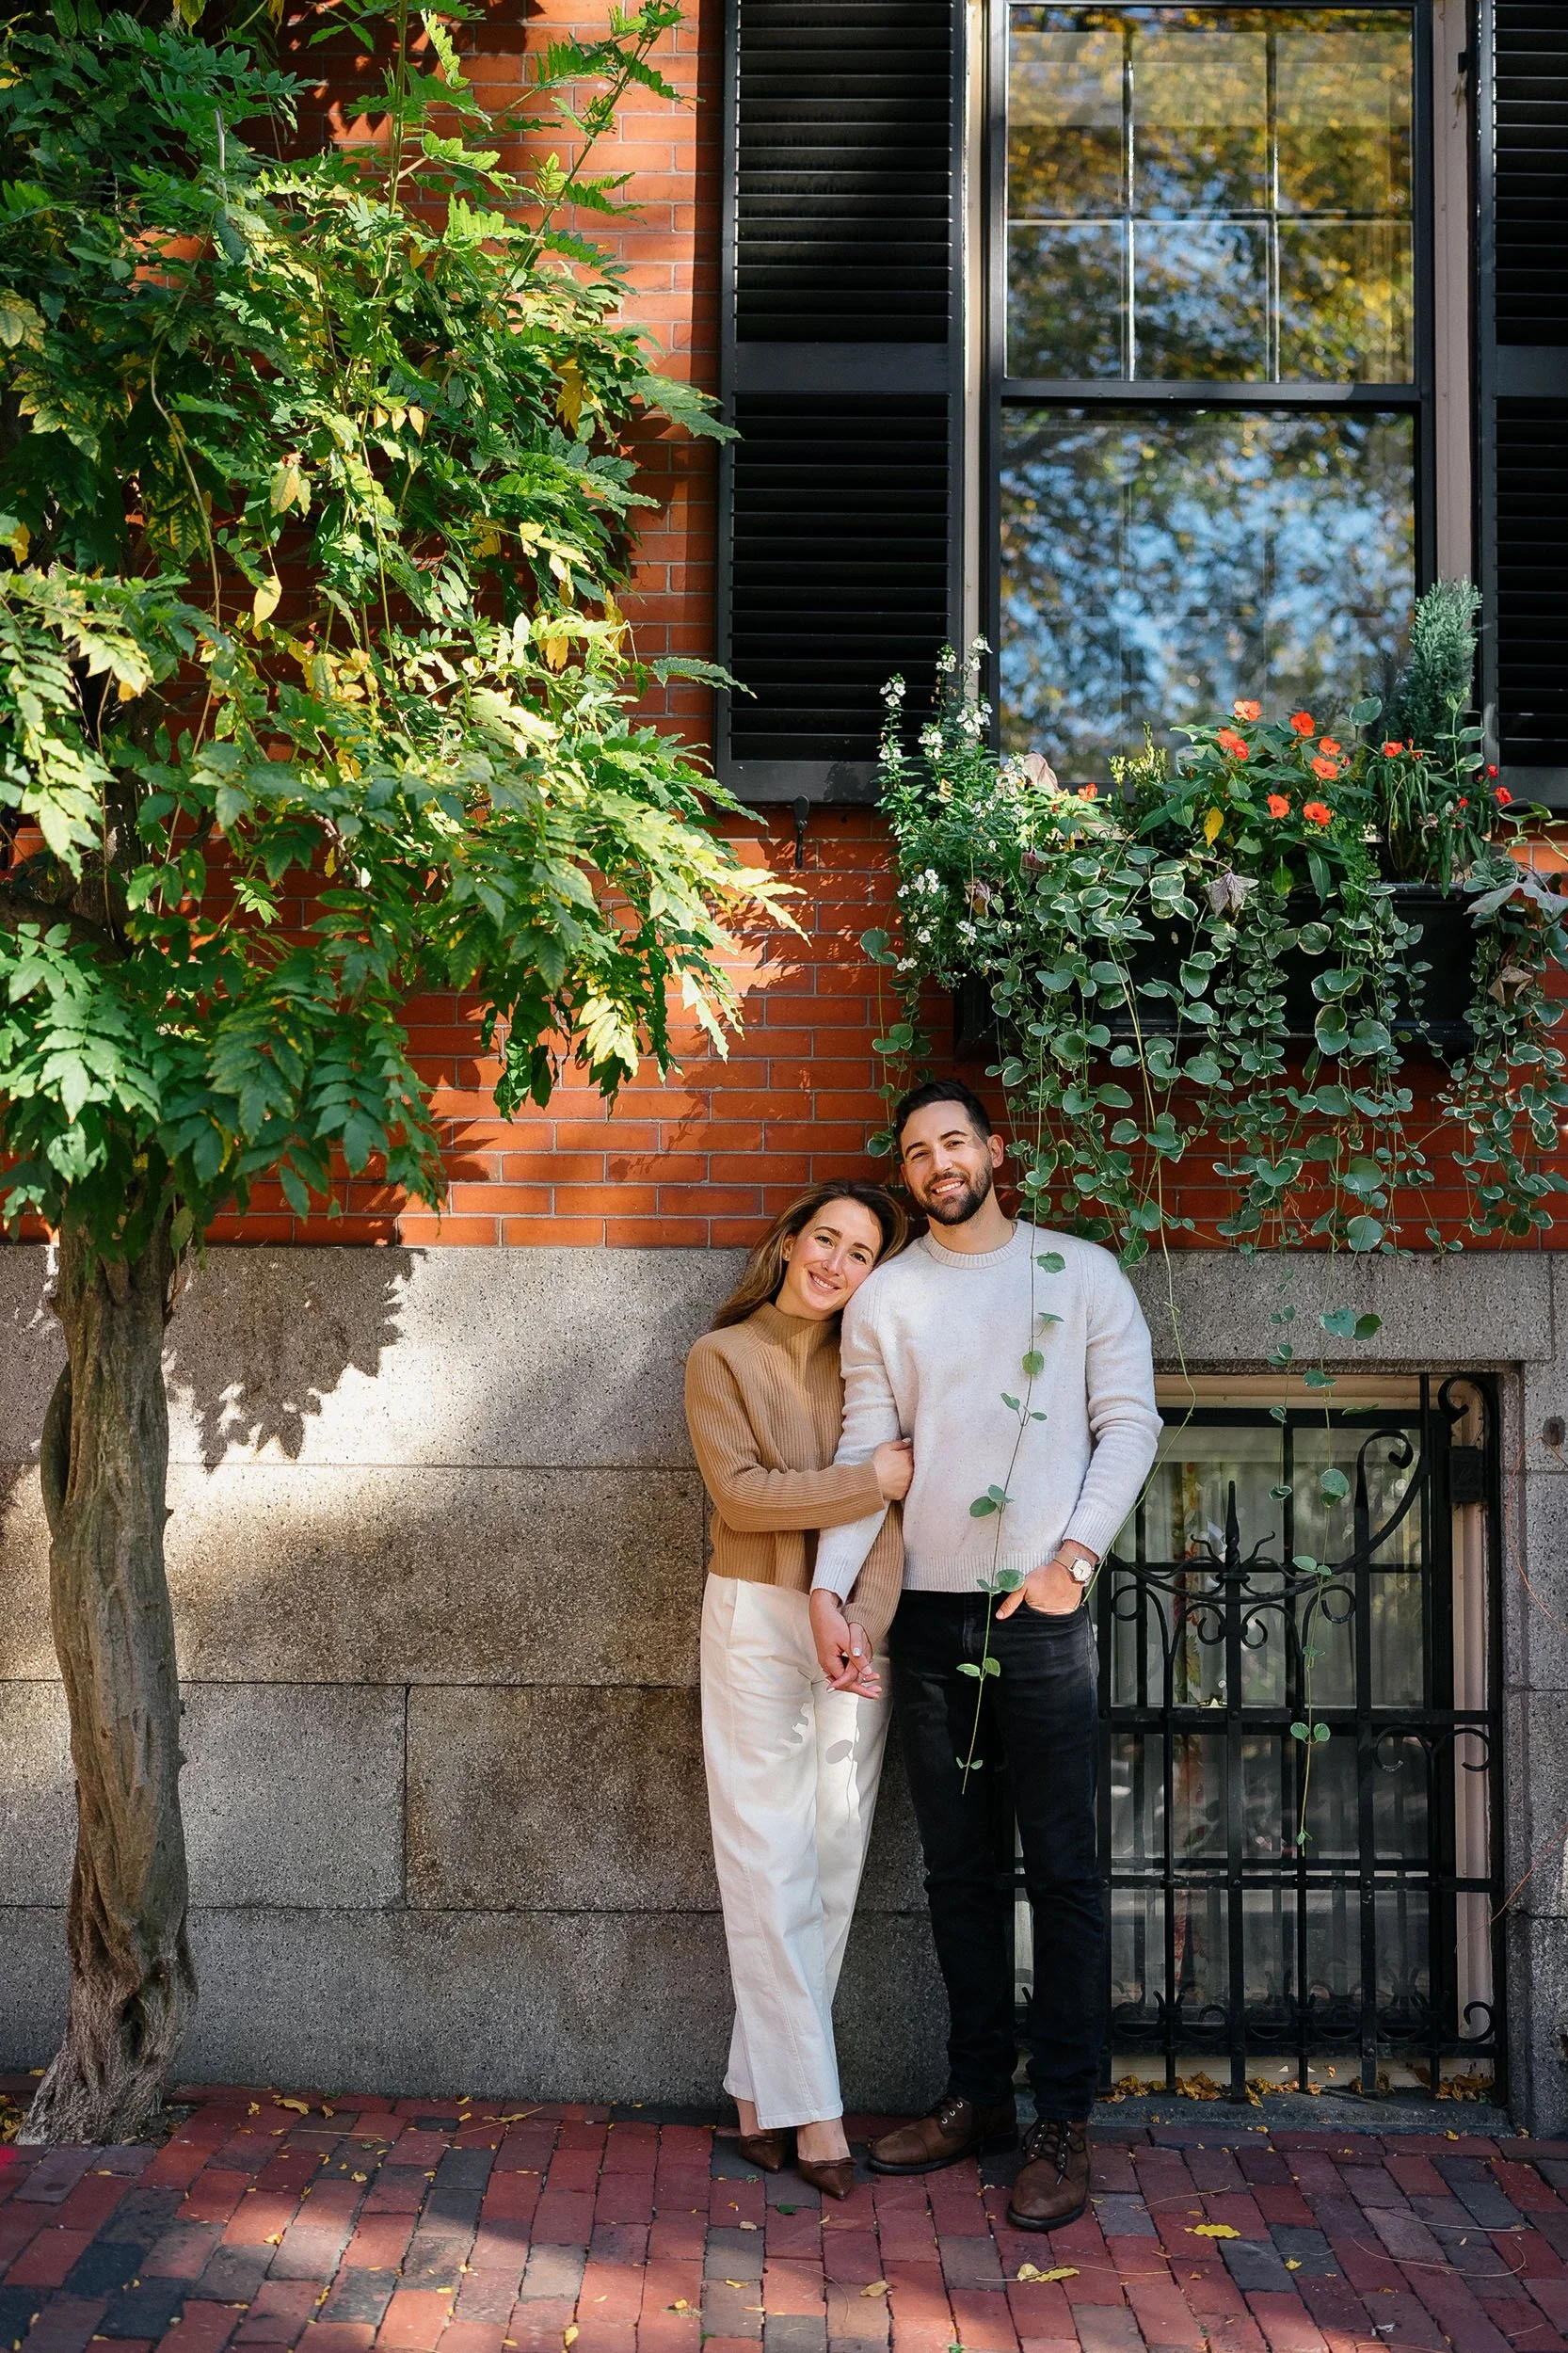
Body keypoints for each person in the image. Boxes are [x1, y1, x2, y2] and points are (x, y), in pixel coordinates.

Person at [810, 1080, 1160, 2228]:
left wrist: (1073, 1557)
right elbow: (868, 1447)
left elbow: (1131, 1420)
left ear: (994, 1152)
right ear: (906, 1174)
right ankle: (978, 2097)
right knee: (958, 1872)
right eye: (916, 1152)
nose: (937, 1163)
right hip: (929, 1618)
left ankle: (1062, 2119)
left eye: (953, 1141)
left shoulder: (1078, 1272)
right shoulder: (890, 1297)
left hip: (1044, 1612)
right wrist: (831, 1588)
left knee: (1062, 1871)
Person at [684, 1182, 914, 2200]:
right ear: (787, 1242)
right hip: (752, 1619)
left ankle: (754, 2100)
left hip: (854, 1633)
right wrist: (874, 1479)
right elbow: (743, 1494)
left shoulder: (878, 1364)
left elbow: (900, 1523)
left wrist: (862, 1624)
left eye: (859, 1252)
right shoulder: (719, 1355)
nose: (834, 1262)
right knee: (766, 1861)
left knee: (829, 1862)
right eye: (824, 1238)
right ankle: (816, 2115)